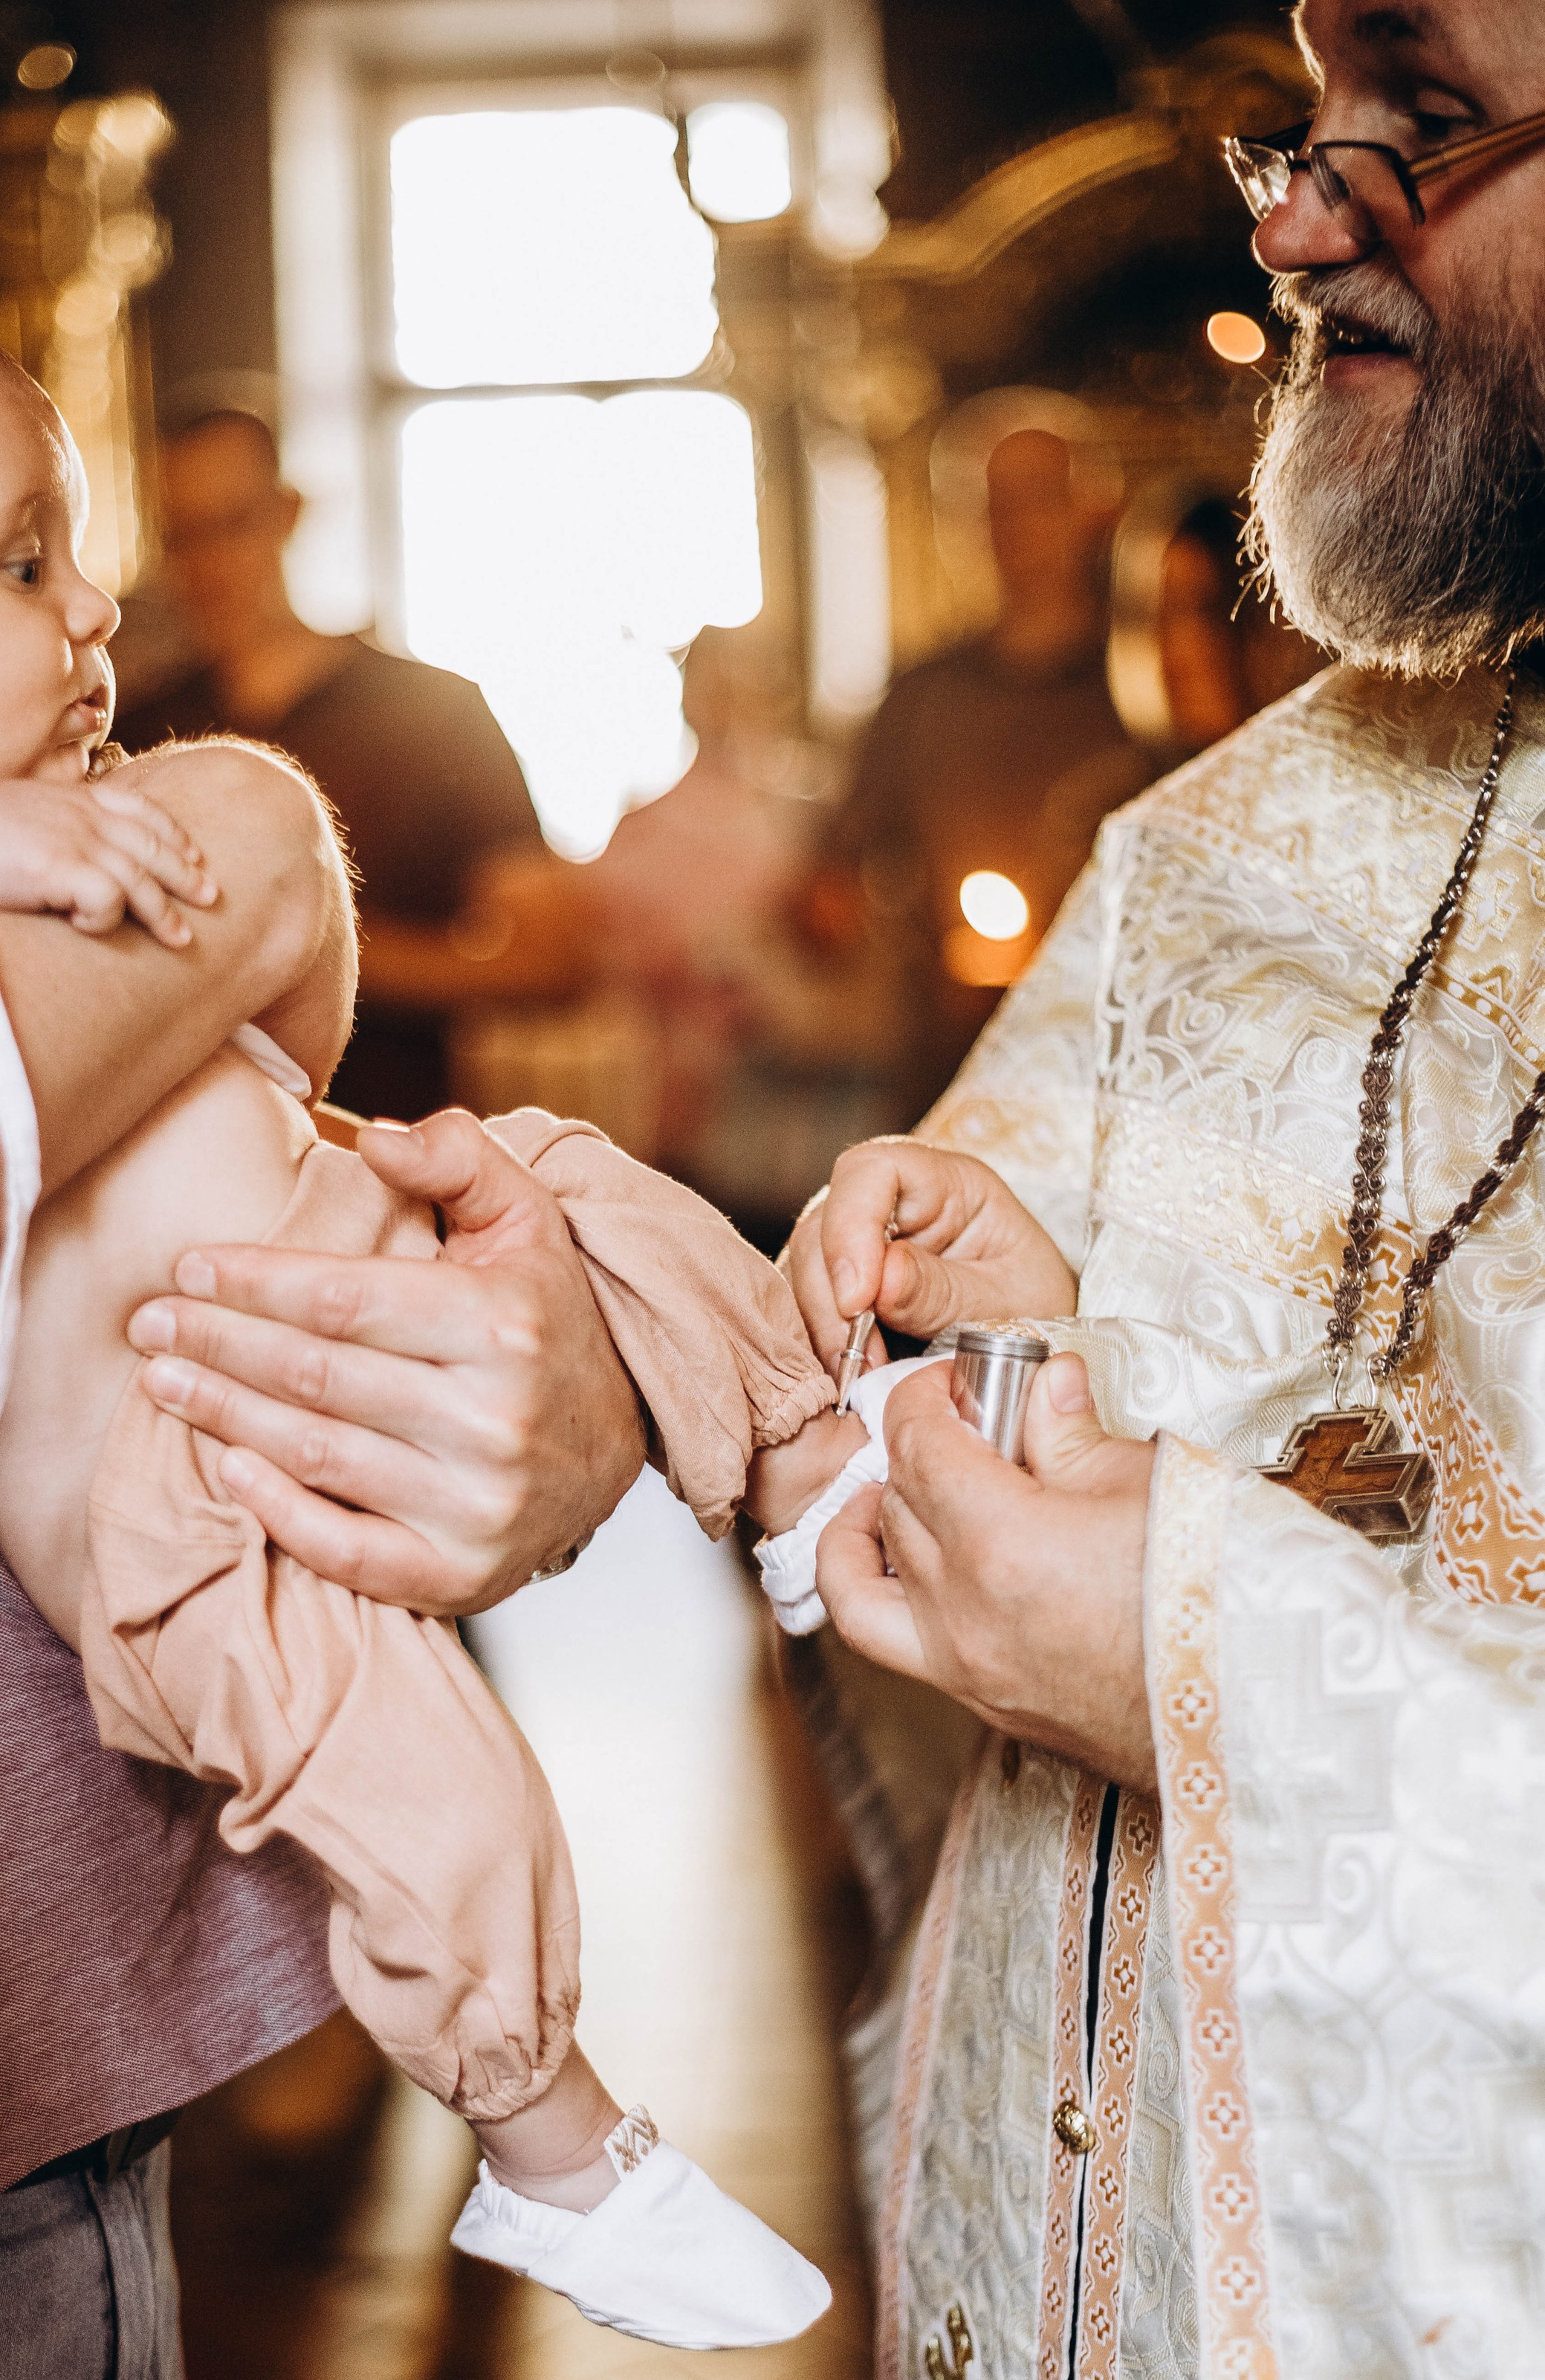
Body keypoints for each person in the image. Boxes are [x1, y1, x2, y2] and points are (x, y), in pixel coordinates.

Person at [0, 268, 855, 2352]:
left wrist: (203, 849)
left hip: (301, 1248)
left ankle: (818, 1480)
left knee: (596, 1198)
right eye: (26, 565)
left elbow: (276, 939)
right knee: (426, 1785)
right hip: (170, 1497)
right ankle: (554, 2142)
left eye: (86, 559)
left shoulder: (72, 796)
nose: (97, 615)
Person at [766, 3, 1545, 2369]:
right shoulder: (1226, 832)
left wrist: (1210, 1674)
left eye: (1418, 124)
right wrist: (1030, 1321)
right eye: (1302, 137)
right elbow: (1012, 1313)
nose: (1304, 226)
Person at [117, 398, 564, 1122]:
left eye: (234, 523)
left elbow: (551, 960)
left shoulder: (435, 712)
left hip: (391, 1147)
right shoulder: (137, 726)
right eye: (184, 536)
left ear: (286, 513)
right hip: (194, 1149)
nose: (211, 564)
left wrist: (312, 941)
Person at [818, 424, 1154, 1125]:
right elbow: (834, 878)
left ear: (1091, 508)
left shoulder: (1143, 690)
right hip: (953, 1074)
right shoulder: (921, 699)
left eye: (1037, 499)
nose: (1015, 527)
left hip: (1116, 1073)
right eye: (992, 505)